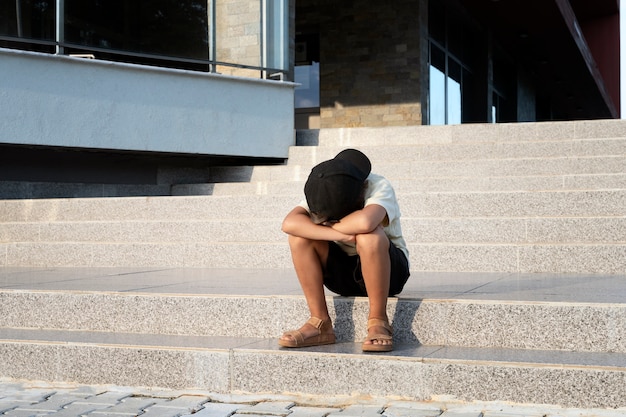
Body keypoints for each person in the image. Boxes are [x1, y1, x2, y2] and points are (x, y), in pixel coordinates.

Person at [278, 148, 410, 352]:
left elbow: (366, 221)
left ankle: (378, 320)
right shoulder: (323, 191)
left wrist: (322, 227)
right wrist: (339, 234)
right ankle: (320, 322)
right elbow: (289, 224)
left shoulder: (377, 185)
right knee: (299, 239)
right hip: (342, 274)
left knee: (369, 236)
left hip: (389, 272)